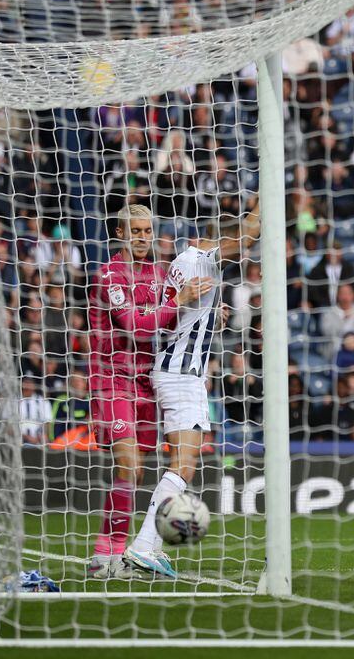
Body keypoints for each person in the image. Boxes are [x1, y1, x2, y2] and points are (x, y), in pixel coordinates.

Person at [124, 203, 261, 577]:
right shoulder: (200, 257)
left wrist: (206, 313)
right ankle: (143, 546)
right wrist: (266, 196)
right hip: (180, 375)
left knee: (185, 464)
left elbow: (174, 313)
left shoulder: (187, 262)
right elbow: (248, 235)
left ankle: (146, 546)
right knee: (183, 465)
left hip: (179, 371)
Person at [86, 205, 213, 580]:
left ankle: (122, 554)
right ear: (120, 234)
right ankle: (104, 554)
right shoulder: (110, 275)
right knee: (130, 465)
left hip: (147, 381)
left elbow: (175, 316)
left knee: (135, 474)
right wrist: (179, 302)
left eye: (147, 231)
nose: (142, 237)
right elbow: (136, 327)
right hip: (113, 380)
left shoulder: (159, 274)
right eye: (135, 231)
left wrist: (206, 313)